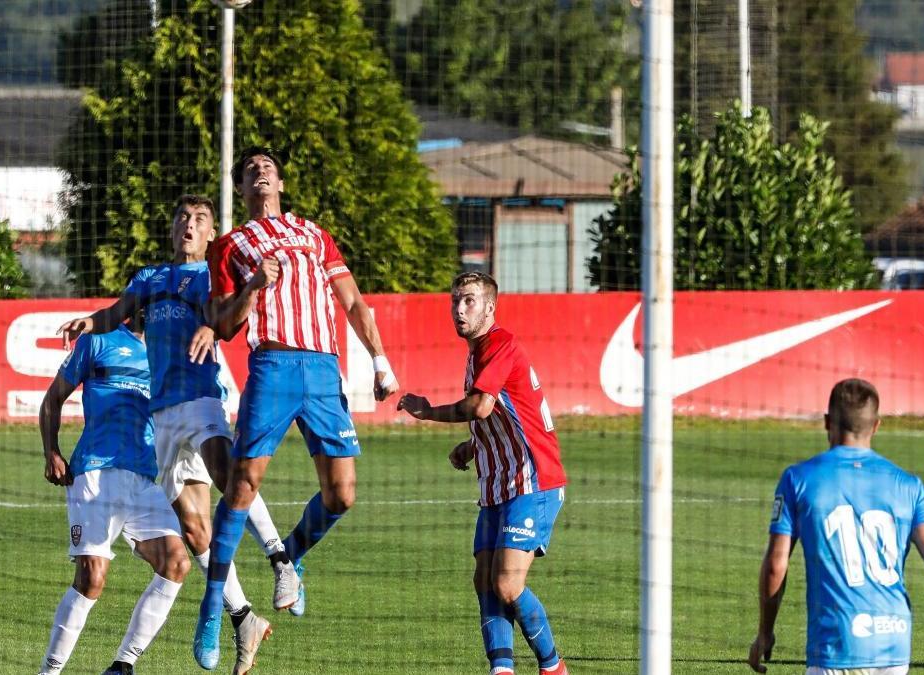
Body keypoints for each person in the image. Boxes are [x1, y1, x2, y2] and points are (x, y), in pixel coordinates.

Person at [192, 146, 400, 669]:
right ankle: (213, 606)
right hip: (274, 365)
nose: (259, 172)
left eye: (267, 167)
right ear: (241, 190)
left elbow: (351, 300)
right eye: (249, 170)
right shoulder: (230, 246)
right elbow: (222, 323)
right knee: (241, 485)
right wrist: (254, 287)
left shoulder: (314, 233)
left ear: (281, 182)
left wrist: (380, 359)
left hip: (324, 369)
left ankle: (291, 557)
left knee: (343, 494)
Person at [59, 195, 281, 675]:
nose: (189, 225)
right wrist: (87, 320)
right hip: (163, 419)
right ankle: (243, 616)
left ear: (209, 235)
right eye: (182, 217)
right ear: (173, 228)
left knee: (229, 479)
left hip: (199, 401)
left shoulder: (213, 275)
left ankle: (281, 561)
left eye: (200, 220)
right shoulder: (151, 278)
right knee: (194, 530)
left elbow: (233, 315)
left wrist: (213, 326)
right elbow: (116, 313)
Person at [396, 272, 569, 675]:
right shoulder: (477, 351)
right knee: (484, 579)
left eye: (469, 301)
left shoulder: (501, 343)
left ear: (490, 307)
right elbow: (508, 411)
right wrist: (474, 446)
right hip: (497, 482)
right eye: (455, 300)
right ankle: (502, 670)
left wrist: (428, 411)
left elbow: (479, 407)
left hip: (533, 480)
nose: (459, 309)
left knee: (507, 583)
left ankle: (554, 667)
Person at [749, 378, 924, 675]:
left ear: (827, 422)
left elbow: (777, 564)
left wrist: (765, 632)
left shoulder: (798, 479)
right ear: (876, 426)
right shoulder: (908, 485)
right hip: (894, 645)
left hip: (836, 645)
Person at [37, 312, 188, 675]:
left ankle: (122, 665)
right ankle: (49, 672)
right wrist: (51, 451)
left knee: (176, 562)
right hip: (95, 473)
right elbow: (52, 400)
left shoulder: (167, 357)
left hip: (143, 477)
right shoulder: (98, 341)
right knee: (92, 578)